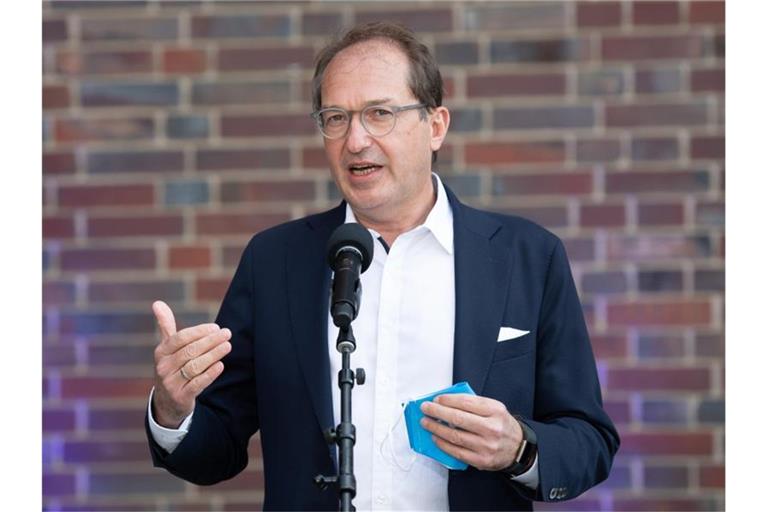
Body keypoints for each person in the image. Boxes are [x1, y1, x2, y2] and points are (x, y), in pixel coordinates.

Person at [146, 21, 619, 511]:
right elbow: (216, 447)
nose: (355, 140)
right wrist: (173, 408)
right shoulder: (274, 262)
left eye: (379, 113)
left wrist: (519, 448)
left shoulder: (528, 256)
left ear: (435, 126)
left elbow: (588, 439)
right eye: (336, 118)